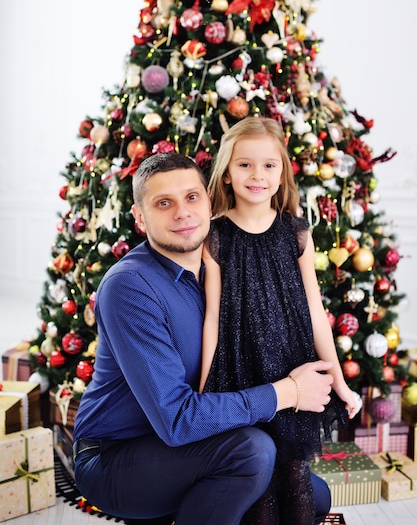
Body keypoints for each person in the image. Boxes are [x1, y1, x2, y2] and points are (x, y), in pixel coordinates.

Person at [73, 151, 335, 525]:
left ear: (209, 202)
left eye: (192, 197)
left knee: (310, 497)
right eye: (164, 203)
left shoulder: (223, 268)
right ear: (140, 217)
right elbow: (177, 420)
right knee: (251, 452)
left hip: (194, 448)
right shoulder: (130, 286)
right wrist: (288, 392)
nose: (182, 213)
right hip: (118, 458)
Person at [199, 117, 360, 525]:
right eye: (245, 165)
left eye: (269, 165)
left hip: (296, 367)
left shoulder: (296, 233)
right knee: (259, 485)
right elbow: (213, 319)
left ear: (283, 171)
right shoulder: (214, 237)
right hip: (243, 373)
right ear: (227, 173)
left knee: (296, 478)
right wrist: (201, 391)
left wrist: (338, 381)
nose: (258, 175)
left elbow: (315, 313)